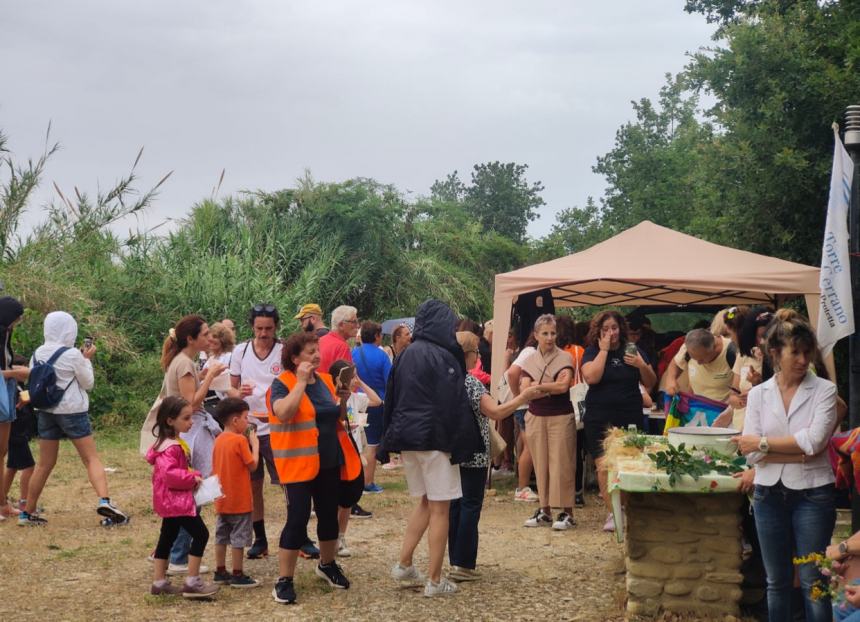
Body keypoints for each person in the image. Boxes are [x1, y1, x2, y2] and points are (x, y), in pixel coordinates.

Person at [733, 315, 837, 622]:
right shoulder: (759, 394)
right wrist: (792, 450)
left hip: (812, 495)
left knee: (813, 580)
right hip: (768, 494)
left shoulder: (824, 391)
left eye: (808, 352)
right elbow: (748, 454)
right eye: (796, 352)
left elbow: (815, 442)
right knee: (775, 583)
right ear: (775, 353)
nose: (804, 360)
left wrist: (764, 445)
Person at [383, 299, 483, 597]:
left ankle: (404, 564)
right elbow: (453, 405)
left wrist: (389, 440)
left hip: (408, 439)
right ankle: (436, 580)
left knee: (426, 502)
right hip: (436, 440)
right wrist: (462, 444)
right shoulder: (444, 356)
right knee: (441, 509)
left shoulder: (405, 353)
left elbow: (392, 395)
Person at [268, 332, 360, 605]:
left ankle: (327, 564)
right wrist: (300, 382)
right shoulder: (282, 384)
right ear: (295, 358)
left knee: (328, 516)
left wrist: (342, 397)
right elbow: (283, 412)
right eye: (310, 352)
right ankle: (284, 580)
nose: (317, 356)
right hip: (297, 465)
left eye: (317, 350)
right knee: (297, 520)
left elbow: (337, 417)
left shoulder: (324, 382)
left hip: (328, 461)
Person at [448, 331, 542, 581]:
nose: (479, 357)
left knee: (455, 506)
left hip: (452, 451)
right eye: (477, 352)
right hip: (475, 451)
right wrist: (522, 398)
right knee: (469, 505)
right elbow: (496, 412)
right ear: (468, 354)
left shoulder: (445, 379)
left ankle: (453, 558)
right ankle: (463, 564)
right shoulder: (471, 383)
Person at [20, 311, 128, 526]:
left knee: (45, 464)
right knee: (91, 459)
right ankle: (104, 500)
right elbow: (87, 383)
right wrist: (86, 360)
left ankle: (27, 512)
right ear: (70, 330)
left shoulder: (38, 352)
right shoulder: (73, 354)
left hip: (46, 411)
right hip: (72, 411)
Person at [149, 314, 225, 571]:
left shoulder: (184, 362)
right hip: (189, 433)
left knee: (188, 491)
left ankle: (174, 551)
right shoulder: (183, 363)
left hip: (185, 432)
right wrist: (211, 375)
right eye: (204, 334)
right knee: (191, 490)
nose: (209, 338)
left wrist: (203, 375)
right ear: (190, 339)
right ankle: (180, 555)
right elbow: (191, 404)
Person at [580, 310, 656, 532]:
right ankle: (613, 513)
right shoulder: (592, 351)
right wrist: (604, 351)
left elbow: (651, 380)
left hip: (629, 414)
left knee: (628, 463)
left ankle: (626, 507)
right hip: (599, 416)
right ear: (598, 331)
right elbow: (591, 377)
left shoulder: (631, 349)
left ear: (621, 328)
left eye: (614, 328)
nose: (611, 333)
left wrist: (642, 365)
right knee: (604, 465)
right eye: (605, 329)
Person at [229, 304, 289, 560]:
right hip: (250, 429)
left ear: (277, 327)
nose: (264, 334)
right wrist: (237, 394)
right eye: (259, 329)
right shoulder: (240, 351)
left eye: (269, 328)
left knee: (288, 484)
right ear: (252, 327)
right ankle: (260, 539)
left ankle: (298, 536)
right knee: (254, 486)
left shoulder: (285, 351)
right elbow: (230, 388)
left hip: (277, 427)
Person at [146, 396, 219, 598]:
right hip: (177, 501)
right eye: (186, 418)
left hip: (168, 501)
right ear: (170, 421)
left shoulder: (166, 443)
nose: (191, 422)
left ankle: (159, 581)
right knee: (201, 534)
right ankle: (192, 582)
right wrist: (193, 477)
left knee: (166, 537)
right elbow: (171, 475)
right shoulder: (173, 447)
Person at [518, 314, 577, 531]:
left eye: (553, 333)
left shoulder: (565, 358)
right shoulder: (529, 360)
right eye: (545, 333)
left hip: (560, 416)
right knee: (540, 463)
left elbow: (563, 386)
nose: (550, 338)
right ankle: (545, 511)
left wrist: (538, 386)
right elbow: (524, 391)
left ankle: (567, 512)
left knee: (562, 463)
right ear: (536, 335)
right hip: (535, 417)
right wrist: (548, 386)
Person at [329, 358, 382, 556]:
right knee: (334, 499)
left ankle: (341, 537)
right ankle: (330, 537)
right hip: (337, 453)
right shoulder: (331, 398)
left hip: (355, 453)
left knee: (348, 500)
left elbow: (377, 401)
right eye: (350, 377)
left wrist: (361, 382)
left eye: (354, 376)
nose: (353, 381)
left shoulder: (355, 397)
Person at [211, 397, 260, 588]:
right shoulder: (240, 440)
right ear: (235, 420)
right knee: (238, 538)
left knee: (221, 535)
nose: (247, 421)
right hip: (239, 500)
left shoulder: (218, 439)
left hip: (221, 498)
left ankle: (220, 570)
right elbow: (253, 465)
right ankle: (238, 574)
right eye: (246, 417)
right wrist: (254, 446)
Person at [664, 327, 736, 426]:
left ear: (714, 347)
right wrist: (671, 380)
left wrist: (730, 410)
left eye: (701, 359)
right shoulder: (689, 348)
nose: (698, 363)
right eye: (694, 358)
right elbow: (675, 364)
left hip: (724, 413)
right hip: (697, 410)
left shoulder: (732, 351)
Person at [352, 321, 392, 495]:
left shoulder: (353, 353)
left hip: (357, 404)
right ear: (376, 336)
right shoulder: (381, 356)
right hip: (376, 403)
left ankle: (356, 479)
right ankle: (368, 482)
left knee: (358, 440)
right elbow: (390, 381)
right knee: (372, 443)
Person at [0, 296, 27, 519]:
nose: (15, 324)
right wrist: (13, 373)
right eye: (16, 319)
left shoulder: (5, 336)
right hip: (2, 391)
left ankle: (3, 503)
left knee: (3, 451)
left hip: (7, 390)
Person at [507, 335, 539, 502]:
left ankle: (523, 486)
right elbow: (512, 373)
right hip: (525, 406)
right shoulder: (530, 351)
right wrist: (518, 396)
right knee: (530, 447)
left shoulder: (531, 351)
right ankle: (522, 488)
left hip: (525, 405)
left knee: (527, 445)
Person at [3, 354, 35, 518]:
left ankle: (3, 498)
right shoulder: (10, 386)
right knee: (29, 467)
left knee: (12, 467)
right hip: (16, 433)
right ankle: (25, 502)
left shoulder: (18, 386)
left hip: (18, 432)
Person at [318, 306, 358, 373]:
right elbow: (345, 379)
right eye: (354, 322)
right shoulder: (342, 347)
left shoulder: (321, 340)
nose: (357, 325)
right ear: (341, 325)